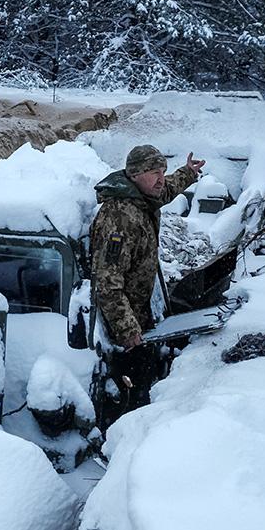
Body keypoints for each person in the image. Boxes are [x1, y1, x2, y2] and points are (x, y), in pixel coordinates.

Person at [89, 144, 204, 430]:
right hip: (121, 329)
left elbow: (164, 191)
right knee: (131, 389)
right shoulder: (119, 218)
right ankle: (122, 437)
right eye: (155, 172)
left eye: (163, 171)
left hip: (140, 312)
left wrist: (187, 173)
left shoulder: (142, 195)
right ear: (135, 174)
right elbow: (107, 282)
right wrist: (128, 331)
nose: (161, 178)